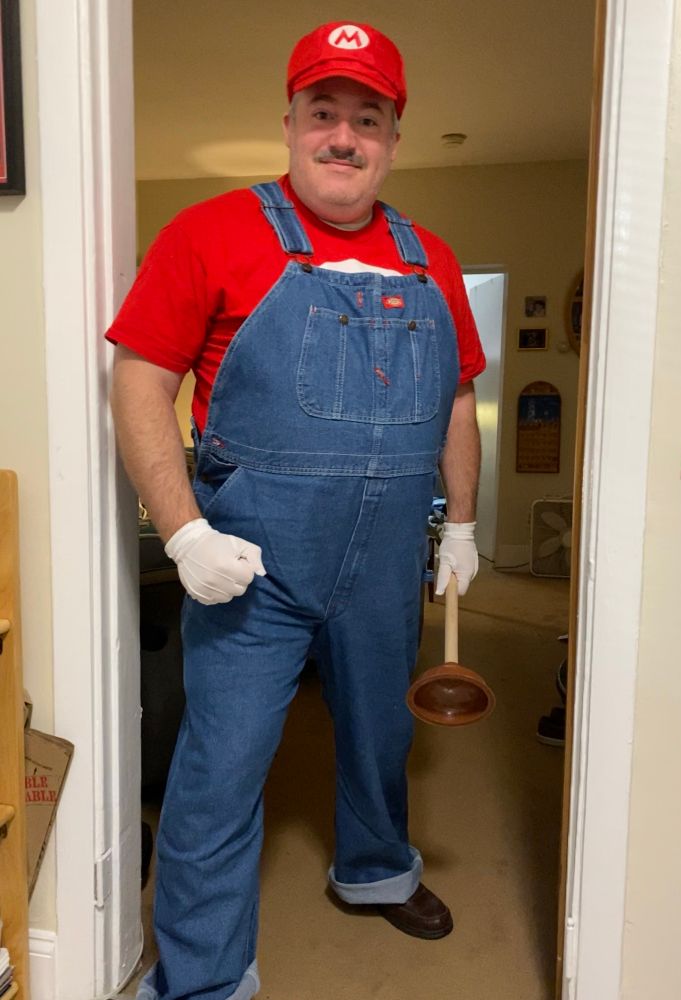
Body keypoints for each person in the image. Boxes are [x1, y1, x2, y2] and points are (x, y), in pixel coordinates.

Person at [108, 20, 485, 1000]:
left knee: (379, 735)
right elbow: (140, 378)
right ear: (290, 122)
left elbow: (453, 399)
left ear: (395, 137)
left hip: (388, 560)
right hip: (252, 564)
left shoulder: (432, 257)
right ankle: (201, 975)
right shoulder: (209, 233)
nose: (345, 137)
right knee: (219, 770)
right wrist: (184, 530)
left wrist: (468, 525)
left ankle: (374, 870)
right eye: (326, 113)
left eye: (369, 117)